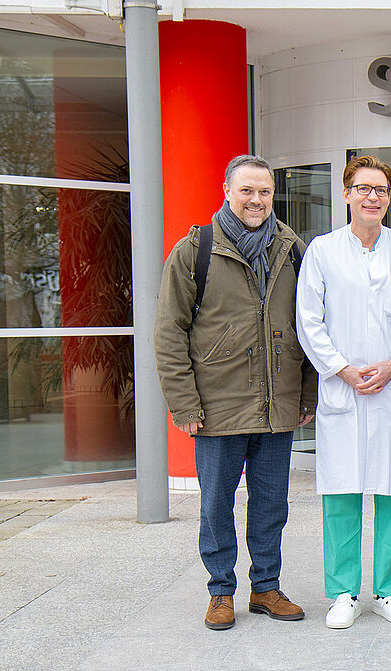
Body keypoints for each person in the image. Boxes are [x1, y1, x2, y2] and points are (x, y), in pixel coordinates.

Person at [155, 154, 317, 631]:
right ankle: (220, 591)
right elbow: (169, 332)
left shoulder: (292, 249)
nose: (256, 200)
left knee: (272, 503)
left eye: (264, 192)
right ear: (226, 191)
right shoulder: (194, 251)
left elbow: (308, 329)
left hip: (277, 405)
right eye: (247, 190)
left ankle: (266, 587)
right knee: (216, 504)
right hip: (217, 407)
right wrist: (183, 402)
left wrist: (305, 395)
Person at [295, 156, 391, 630]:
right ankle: (343, 592)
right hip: (343, 390)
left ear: (389, 198)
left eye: (381, 189)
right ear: (347, 194)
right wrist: (343, 370)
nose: (373, 196)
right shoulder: (323, 251)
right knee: (342, 490)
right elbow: (309, 320)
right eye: (363, 188)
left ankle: (389, 590)